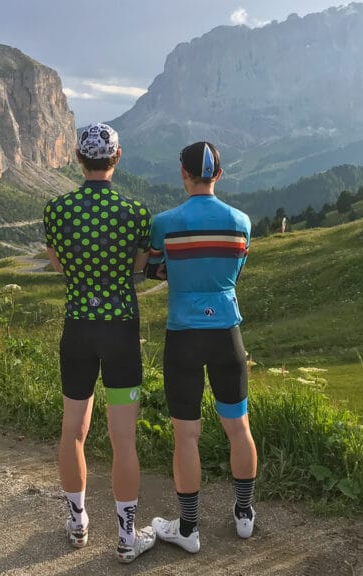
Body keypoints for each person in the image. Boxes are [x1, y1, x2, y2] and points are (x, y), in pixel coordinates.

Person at [42, 122, 156, 563]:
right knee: (122, 439)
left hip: (78, 329)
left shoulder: (56, 210)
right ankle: (127, 537)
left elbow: (57, 266)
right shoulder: (135, 213)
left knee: (74, 430)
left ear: (77, 158)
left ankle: (77, 522)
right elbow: (140, 266)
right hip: (121, 329)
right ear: (118, 157)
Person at [146, 141, 258, 553]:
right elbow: (237, 270)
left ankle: (189, 529)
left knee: (186, 436)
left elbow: (153, 269)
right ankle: (244, 515)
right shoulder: (241, 222)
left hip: (184, 335)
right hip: (227, 331)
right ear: (220, 175)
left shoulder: (165, 222)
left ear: (183, 173)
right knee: (238, 426)